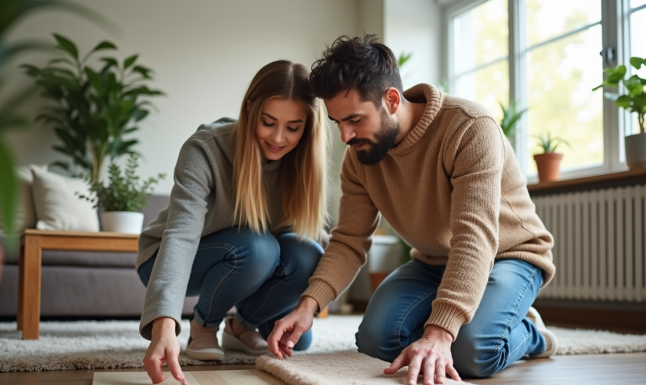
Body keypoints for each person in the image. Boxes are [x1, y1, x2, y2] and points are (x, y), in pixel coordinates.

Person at [267, 35, 558, 385]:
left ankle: (530, 331)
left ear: (391, 100)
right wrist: (307, 306)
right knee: (376, 342)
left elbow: (474, 237)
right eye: (338, 122)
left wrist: (439, 334)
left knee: (470, 351)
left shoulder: (469, 127)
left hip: (509, 255)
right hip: (434, 261)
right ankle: (479, 314)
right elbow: (349, 240)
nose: (345, 135)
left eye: (355, 119)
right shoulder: (360, 158)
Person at [137, 60, 329, 385]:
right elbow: (181, 235)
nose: (279, 138)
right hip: (172, 258)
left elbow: (312, 241)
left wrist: (309, 303)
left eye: (293, 127)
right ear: (250, 108)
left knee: (309, 258)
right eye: (268, 122)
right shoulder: (205, 149)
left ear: (308, 127)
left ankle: (240, 327)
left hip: (247, 260)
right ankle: (205, 326)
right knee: (260, 248)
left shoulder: (302, 163)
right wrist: (164, 324)